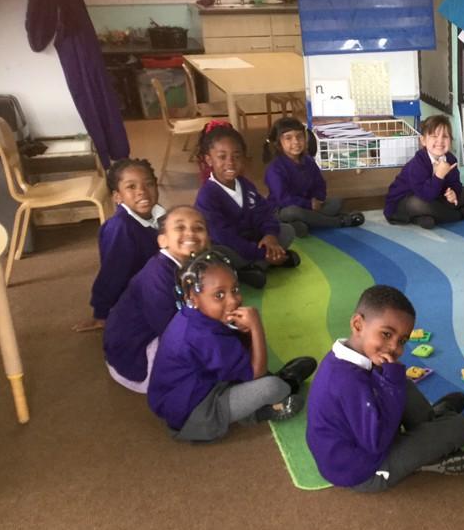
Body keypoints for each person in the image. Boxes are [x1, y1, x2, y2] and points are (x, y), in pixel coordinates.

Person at [306, 284, 464, 491]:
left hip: (366, 440)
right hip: (365, 470)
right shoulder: (347, 381)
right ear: (358, 325)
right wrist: (392, 383)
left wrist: (392, 382)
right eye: (387, 334)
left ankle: (434, 421)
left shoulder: (344, 356)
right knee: (459, 426)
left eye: (402, 341)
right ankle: (437, 427)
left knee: (399, 383)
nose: (394, 348)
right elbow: (376, 442)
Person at [147, 251, 317, 442]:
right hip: (195, 415)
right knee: (273, 387)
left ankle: (264, 403)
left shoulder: (194, 315)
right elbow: (256, 374)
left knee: (252, 372)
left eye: (235, 289)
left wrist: (243, 332)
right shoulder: (203, 336)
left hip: (199, 388)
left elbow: (237, 352)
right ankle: (285, 386)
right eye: (219, 295)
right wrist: (256, 327)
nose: (233, 300)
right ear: (193, 298)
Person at [103, 205, 210, 393]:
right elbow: (172, 333)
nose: (190, 233)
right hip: (138, 357)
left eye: (198, 228)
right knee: (216, 356)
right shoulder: (157, 277)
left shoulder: (193, 265)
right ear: (162, 241)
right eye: (180, 227)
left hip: (158, 337)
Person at [194, 122, 299, 289]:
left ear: (243, 158)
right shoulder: (207, 196)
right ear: (209, 160)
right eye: (222, 157)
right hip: (231, 246)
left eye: (236, 156)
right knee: (217, 254)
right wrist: (262, 252)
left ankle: (258, 266)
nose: (230, 162)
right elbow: (225, 237)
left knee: (287, 230)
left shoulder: (246, 185)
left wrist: (270, 236)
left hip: (253, 241)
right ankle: (267, 261)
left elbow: (265, 213)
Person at [73, 158, 165, 332]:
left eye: (149, 184)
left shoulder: (159, 215)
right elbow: (111, 275)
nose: (142, 192)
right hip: (138, 298)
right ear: (117, 196)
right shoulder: (120, 229)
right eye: (131, 187)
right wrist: (101, 313)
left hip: (156, 281)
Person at [263, 117, 364, 235]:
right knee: (294, 212)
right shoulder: (275, 168)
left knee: (337, 202)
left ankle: (300, 225)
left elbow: (320, 184)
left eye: (299, 136)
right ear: (279, 143)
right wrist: (308, 204)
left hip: (310, 206)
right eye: (288, 138)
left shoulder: (308, 160)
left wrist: (317, 199)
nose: (296, 142)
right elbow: (284, 199)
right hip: (283, 209)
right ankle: (338, 221)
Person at [383, 114, 464, 229]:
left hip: (434, 197)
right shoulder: (417, 163)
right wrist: (439, 175)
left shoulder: (450, 159)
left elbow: (455, 183)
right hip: (403, 203)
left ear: (450, 140)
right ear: (423, 140)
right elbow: (426, 195)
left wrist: (453, 193)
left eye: (445, 136)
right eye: (434, 136)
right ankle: (459, 215)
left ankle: (423, 218)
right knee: (418, 204)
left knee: (463, 192)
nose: (440, 141)